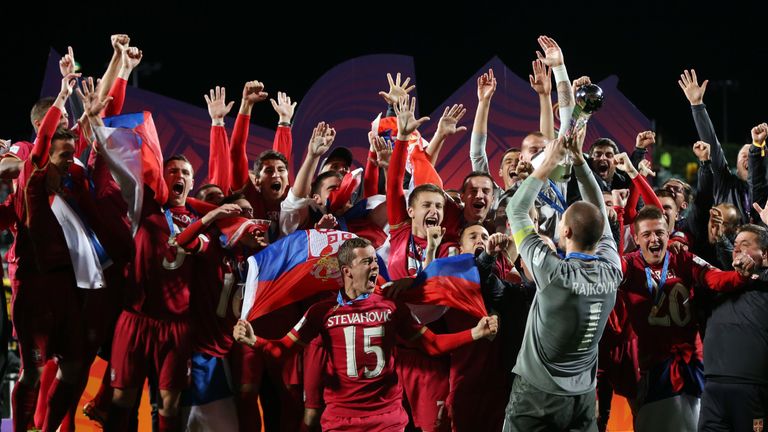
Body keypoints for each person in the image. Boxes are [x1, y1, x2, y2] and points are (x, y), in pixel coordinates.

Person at [233, 237, 498, 431]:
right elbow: (281, 350)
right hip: (341, 422)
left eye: (375, 260)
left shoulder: (392, 306)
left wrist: (474, 332)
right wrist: (253, 340)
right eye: (367, 261)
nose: (375, 267)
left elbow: (432, 345)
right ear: (346, 271)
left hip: (387, 419)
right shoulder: (320, 312)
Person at [503, 132, 623, 431]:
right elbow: (598, 208)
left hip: (536, 396)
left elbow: (515, 210)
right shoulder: (612, 268)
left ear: (565, 233)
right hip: (582, 396)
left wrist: (546, 166)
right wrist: (580, 162)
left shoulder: (552, 272)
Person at [698, 221, 768, 431]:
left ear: (764, 254)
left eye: (745, 244)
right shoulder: (724, 282)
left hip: (752, 388)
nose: (736, 248)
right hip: (712, 386)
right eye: (735, 243)